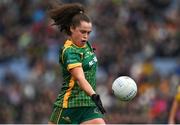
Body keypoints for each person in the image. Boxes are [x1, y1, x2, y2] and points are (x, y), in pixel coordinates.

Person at [48, 2, 106, 124]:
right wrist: (94, 95)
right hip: (68, 107)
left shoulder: (86, 45)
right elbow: (80, 78)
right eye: (82, 31)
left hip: (87, 106)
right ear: (72, 28)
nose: (85, 36)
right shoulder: (69, 51)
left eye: (88, 33)